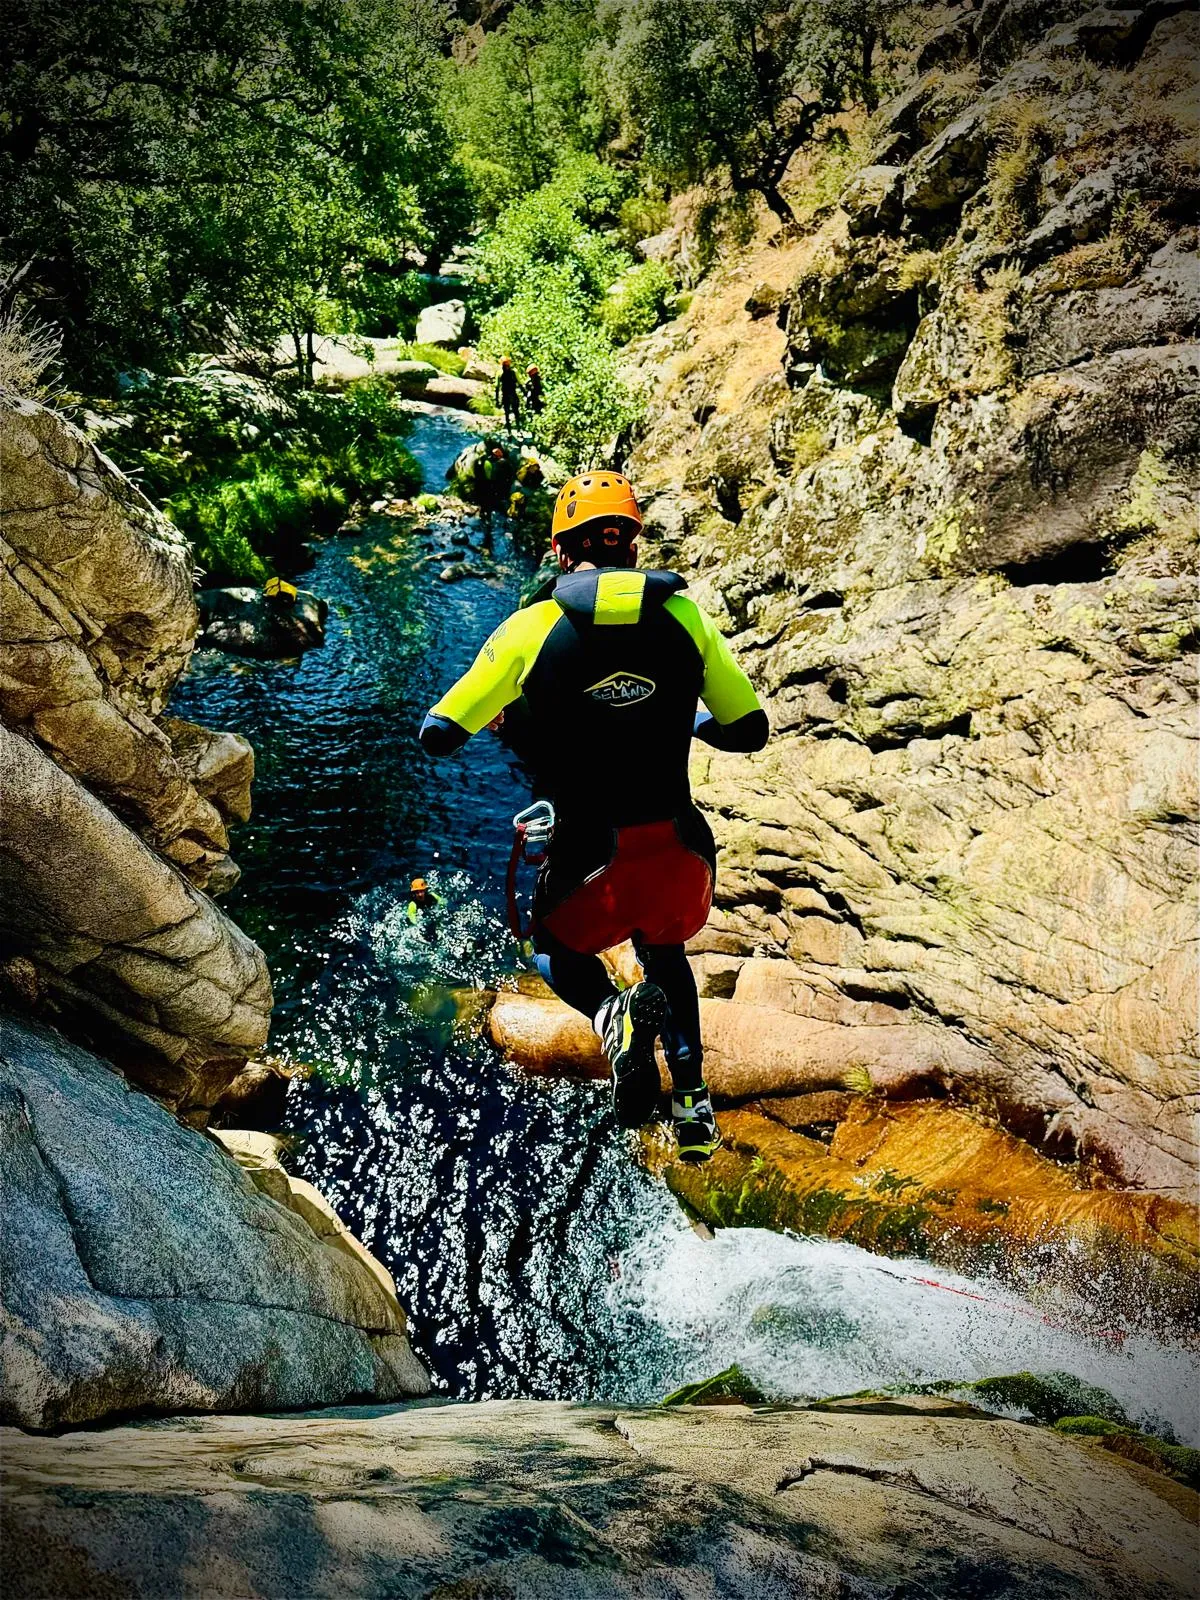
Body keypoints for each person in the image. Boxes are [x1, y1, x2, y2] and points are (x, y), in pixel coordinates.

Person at [418, 472, 768, 1162]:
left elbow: (438, 732)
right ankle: (693, 1105)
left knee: (551, 950)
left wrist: (519, 705)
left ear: (558, 549)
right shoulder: (687, 619)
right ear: (634, 544)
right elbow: (749, 729)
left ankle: (612, 1015)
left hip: (589, 862)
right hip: (679, 854)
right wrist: (686, 715)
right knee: (665, 955)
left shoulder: (530, 626)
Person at [407, 876, 440, 942]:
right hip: (422, 921)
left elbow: (442, 902)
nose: (420, 894)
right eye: (417, 892)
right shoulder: (412, 904)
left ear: (425, 890)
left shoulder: (432, 896)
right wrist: (419, 925)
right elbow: (412, 918)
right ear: (414, 893)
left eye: (421, 891)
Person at [495, 356, 521, 431]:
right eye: (505, 365)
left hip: (512, 394)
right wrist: (497, 400)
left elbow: (520, 383)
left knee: (515, 412)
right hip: (507, 395)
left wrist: (525, 394)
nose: (506, 366)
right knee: (508, 413)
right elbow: (497, 387)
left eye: (507, 365)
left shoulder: (513, 372)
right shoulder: (501, 373)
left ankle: (518, 429)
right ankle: (510, 430)